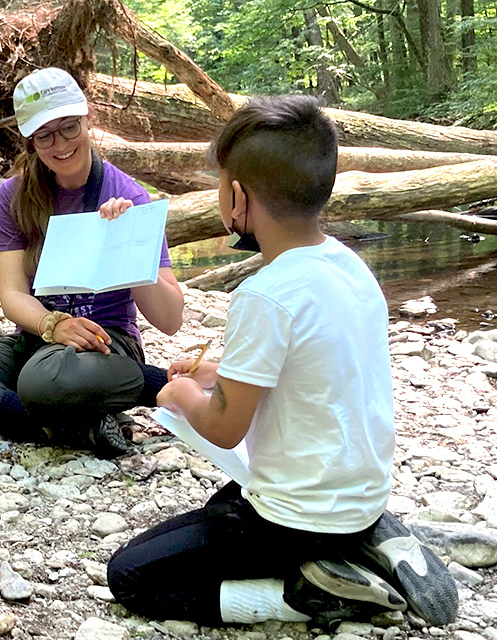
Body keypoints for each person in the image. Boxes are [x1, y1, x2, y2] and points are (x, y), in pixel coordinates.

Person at [106, 95, 458, 628]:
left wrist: (180, 395)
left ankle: (304, 595)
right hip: (358, 490)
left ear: (238, 197)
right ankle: (362, 538)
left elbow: (224, 430)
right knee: (221, 508)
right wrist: (213, 371)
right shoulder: (347, 264)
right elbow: (308, 366)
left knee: (130, 574)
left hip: (297, 516)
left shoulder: (264, 294)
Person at [0, 67, 184, 456]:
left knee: (43, 379)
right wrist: (52, 324)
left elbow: (171, 319)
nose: (60, 144)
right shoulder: (15, 195)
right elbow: (11, 295)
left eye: (69, 128)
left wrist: (127, 244)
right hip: (35, 342)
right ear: (30, 140)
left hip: (104, 348)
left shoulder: (128, 195)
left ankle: (157, 385)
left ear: (87, 119)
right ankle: (57, 424)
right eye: (45, 135)